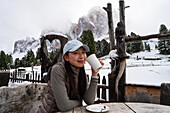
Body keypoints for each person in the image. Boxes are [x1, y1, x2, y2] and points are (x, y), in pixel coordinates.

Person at [37, 40, 104, 113]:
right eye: (76, 53)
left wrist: (94, 75)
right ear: (66, 57)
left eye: (83, 52)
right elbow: (63, 105)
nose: (81, 56)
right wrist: (79, 102)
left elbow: (89, 100)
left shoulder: (80, 72)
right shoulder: (58, 69)